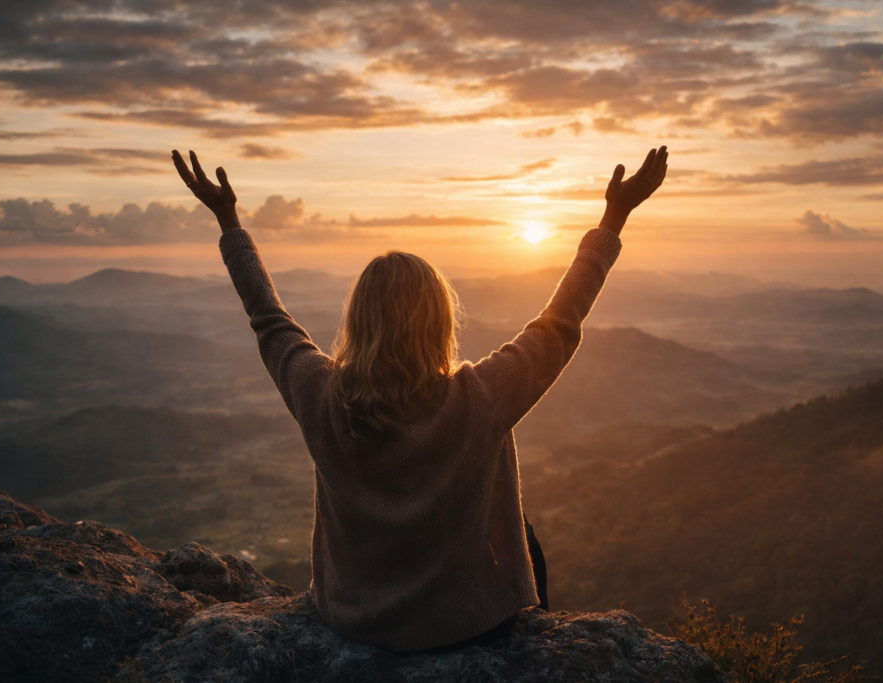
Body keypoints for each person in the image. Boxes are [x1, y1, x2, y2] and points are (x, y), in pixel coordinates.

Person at [171, 145, 668, 652]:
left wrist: (228, 219)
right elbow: (560, 323)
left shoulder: (320, 393)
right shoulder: (480, 397)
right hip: (469, 623)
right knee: (524, 537)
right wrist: (615, 216)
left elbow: (269, 319)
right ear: (439, 322)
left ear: (358, 320)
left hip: (353, 619)